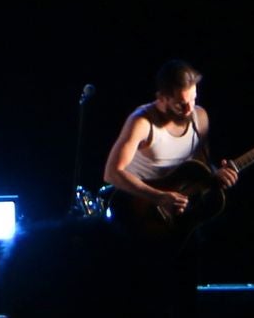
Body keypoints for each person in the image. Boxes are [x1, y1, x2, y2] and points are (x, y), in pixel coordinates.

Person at [100, 59, 236, 229]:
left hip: (175, 213)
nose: (189, 109)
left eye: (193, 100)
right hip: (136, 209)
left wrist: (217, 174)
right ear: (162, 98)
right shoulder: (142, 122)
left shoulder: (200, 118)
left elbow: (200, 165)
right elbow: (112, 173)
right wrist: (158, 197)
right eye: (181, 104)